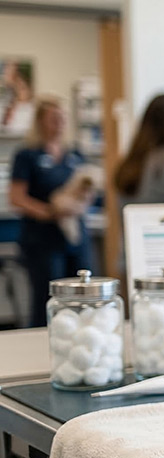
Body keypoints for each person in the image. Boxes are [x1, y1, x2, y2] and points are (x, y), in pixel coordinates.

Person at [8, 97, 90, 327]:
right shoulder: (27, 156)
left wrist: (77, 204)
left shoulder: (74, 155)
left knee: (82, 297)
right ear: (41, 122)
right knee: (48, 298)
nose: (60, 123)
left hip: (74, 236)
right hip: (42, 238)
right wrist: (49, 212)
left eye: (63, 118)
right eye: (54, 119)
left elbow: (88, 187)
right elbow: (17, 198)